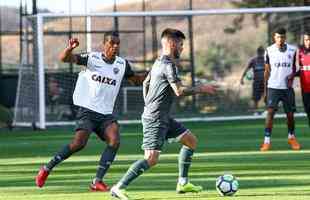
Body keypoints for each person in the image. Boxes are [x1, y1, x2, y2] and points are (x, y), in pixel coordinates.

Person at [110, 28, 217, 200]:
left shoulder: (158, 62)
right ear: (172, 43)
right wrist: (201, 89)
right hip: (155, 118)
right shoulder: (168, 65)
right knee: (151, 159)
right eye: (181, 45)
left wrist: (149, 103)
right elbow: (179, 91)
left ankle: (182, 183)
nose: (182, 48)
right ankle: (118, 187)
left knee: (191, 141)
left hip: (162, 116)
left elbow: (145, 82)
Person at [35, 31, 146, 192]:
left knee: (114, 140)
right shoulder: (92, 58)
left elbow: (135, 80)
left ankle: (97, 181)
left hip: (106, 113)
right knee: (79, 144)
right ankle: (46, 168)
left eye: (117, 44)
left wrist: (151, 74)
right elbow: (65, 58)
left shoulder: (122, 64)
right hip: (87, 110)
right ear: (104, 44)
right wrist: (70, 48)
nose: (115, 46)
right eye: (111, 43)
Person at [260, 27, 301, 151]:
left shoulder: (293, 50)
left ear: (285, 37)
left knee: (290, 115)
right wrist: (265, 90)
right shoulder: (269, 50)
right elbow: (267, 71)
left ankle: (291, 137)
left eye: (282, 37)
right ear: (274, 37)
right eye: (278, 37)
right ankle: (266, 141)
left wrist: (292, 76)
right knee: (270, 113)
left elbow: (294, 67)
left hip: (287, 89)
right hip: (273, 87)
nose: (280, 39)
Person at [240, 46, 265, 115]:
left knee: (266, 96)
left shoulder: (266, 60)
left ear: (263, 52)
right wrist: (242, 78)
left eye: (261, 52)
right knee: (255, 98)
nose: (260, 54)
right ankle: (256, 112)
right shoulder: (253, 60)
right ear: (257, 52)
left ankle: (267, 111)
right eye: (259, 52)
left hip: (265, 82)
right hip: (257, 82)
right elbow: (247, 69)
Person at [296, 32, 310, 129]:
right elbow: (299, 70)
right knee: (308, 111)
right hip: (305, 88)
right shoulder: (299, 53)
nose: (308, 42)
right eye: (306, 40)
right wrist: (291, 75)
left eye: (309, 39)